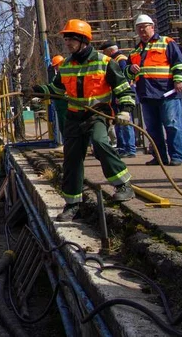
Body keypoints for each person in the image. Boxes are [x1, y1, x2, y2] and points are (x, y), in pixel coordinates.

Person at [29, 19, 136, 221]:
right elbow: (56, 90)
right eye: (66, 39)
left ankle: (123, 185)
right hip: (74, 118)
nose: (67, 43)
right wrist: (37, 91)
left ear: (83, 40)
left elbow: (123, 89)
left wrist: (125, 110)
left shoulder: (105, 63)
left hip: (97, 114)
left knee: (100, 142)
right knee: (71, 160)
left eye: (71, 39)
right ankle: (72, 205)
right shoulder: (67, 65)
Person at [127, 14, 182, 166]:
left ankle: (176, 156)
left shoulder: (166, 42)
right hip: (147, 94)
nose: (142, 31)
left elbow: (179, 63)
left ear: (152, 27)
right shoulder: (135, 51)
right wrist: (130, 69)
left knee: (172, 125)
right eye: (139, 28)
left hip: (166, 92)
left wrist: (179, 80)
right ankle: (159, 157)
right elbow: (127, 74)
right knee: (153, 129)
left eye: (145, 27)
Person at [100, 41, 136, 158]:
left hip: (121, 96)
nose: (104, 54)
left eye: (105, 52)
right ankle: (122, 147)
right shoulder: (115, 60)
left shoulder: (121, 60)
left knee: (125, 122)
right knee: (118, 122)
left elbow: (123, 79)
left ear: (110, 51)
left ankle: (129, 148)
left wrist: (120, 97)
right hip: (116, 96)